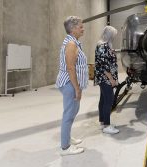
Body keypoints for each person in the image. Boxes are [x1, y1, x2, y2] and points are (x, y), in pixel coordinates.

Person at [56, 16, 88, 156]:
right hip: (69, 83)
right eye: (80, 27)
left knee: (72, 111)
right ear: (73, 29)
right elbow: (70, 68)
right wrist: (76, 88)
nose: (83, 29)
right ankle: (65, 147)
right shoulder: (71, 44)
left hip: (72, 83)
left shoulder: (73, 42)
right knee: (68, 114)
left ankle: (67, 138)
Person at [94, 26, 119, 134]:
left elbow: (104, 59)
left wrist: (111, 52)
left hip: (103, 78)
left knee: (103, 99)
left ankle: (103, 122)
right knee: (109, 100)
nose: (114, 38)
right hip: (106, 78)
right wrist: (111, 79)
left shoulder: (102, 45)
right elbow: (103, 65)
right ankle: (107, 126)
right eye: (113, 36)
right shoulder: (103, 46)